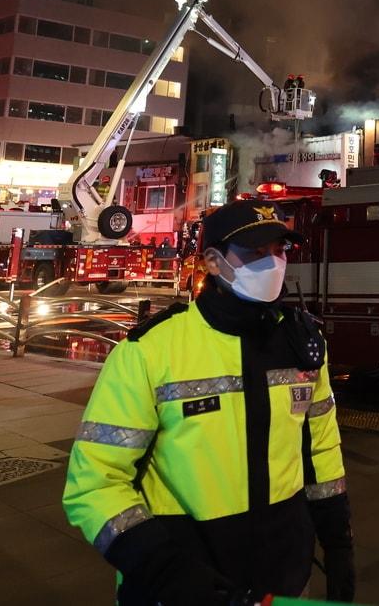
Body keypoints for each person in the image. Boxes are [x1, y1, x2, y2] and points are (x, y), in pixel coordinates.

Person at [63, 200, 355, 604]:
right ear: (214, 262)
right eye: (255, 252)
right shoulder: (150, 351)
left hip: (284, 580)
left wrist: (338, 543)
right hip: (180, 588)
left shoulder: (303, 343)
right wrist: (165, 570)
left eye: (279, 250)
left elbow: (321, 449)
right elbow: (94, 484)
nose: (272, 263)